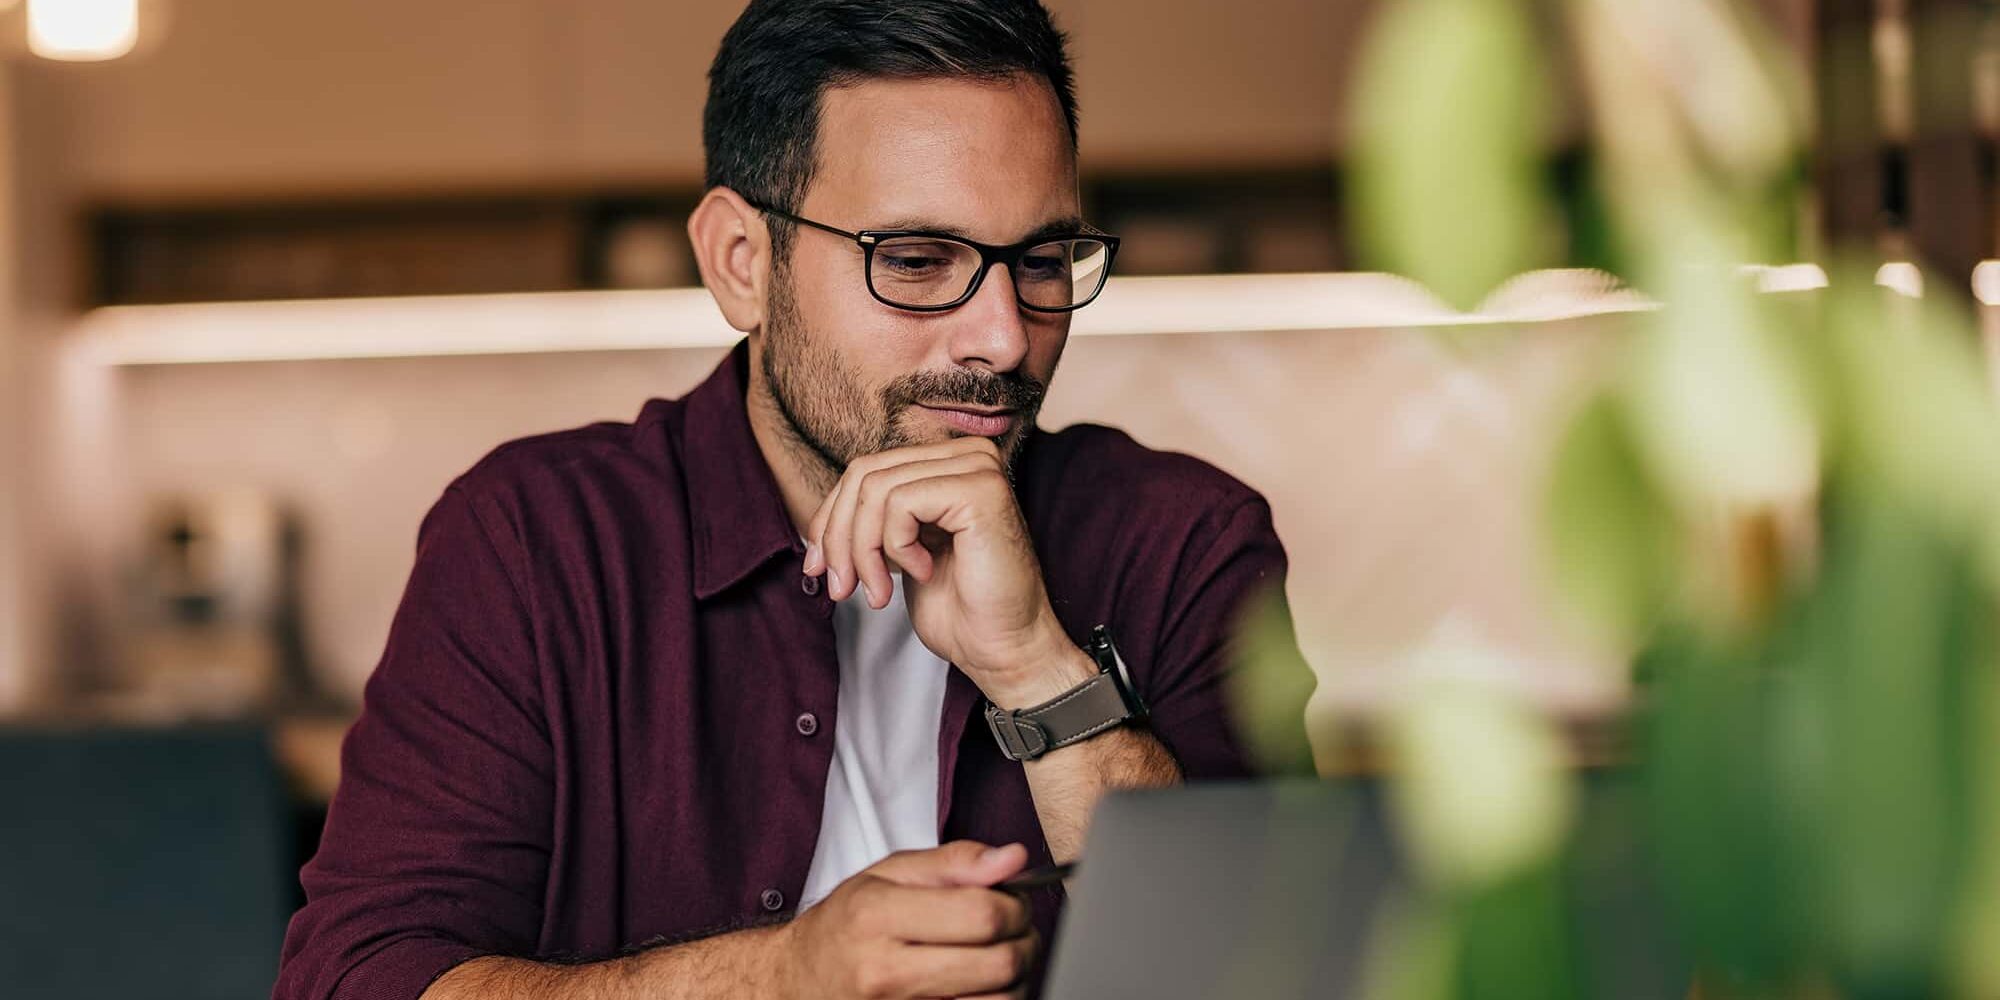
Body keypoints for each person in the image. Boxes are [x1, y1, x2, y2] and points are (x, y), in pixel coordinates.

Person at [273, 1, 1315, 997]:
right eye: (915, 259)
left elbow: (1288, 977)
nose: (1001, 336)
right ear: (740, 263)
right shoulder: (534, 544)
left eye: (1040, 260)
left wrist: (1042, 675)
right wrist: (775, 979)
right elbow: (356, 979)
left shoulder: (1181, 541)